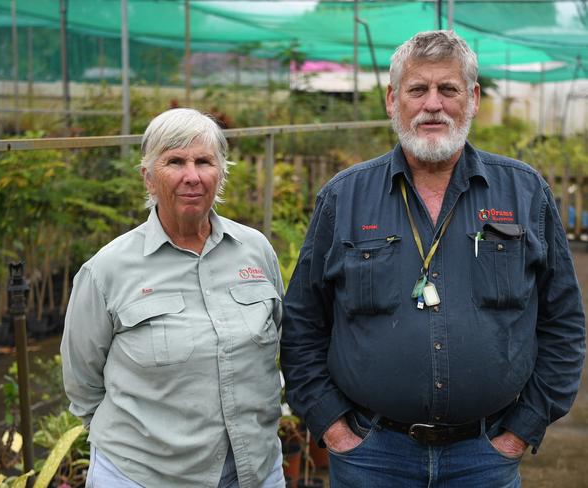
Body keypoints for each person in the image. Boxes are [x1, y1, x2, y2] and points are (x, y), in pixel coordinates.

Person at [280, 30, 585, 487]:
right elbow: (302, 322)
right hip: (371, 456)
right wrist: (333, 428)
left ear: (473, 98)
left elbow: (564, 323)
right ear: (392, 100)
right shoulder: (344, 198)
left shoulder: (524, 193)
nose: (433, 104)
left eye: (448, 89)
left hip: (485, 457)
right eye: (418, 89)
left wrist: (522, 430)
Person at [61, 108, 285, 488]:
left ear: (221, 173)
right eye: (175, 162)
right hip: (145, 475)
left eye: (204, 161)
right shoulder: (108, 269)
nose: (192, 176)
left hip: (254, 470)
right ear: (148, 178)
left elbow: (278, 338)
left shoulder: (255, 250)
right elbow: (82, 381)